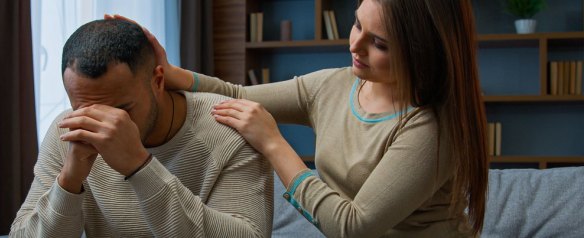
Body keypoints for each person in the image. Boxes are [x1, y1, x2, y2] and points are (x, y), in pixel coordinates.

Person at [112, 0, 488, 236]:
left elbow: (352, 226)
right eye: (358, 24)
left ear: (424, 52)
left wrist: (274, 144)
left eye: (380, 44)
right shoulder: (335, 85)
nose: (354, 45)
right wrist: (172, 72)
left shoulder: (430, 129)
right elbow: (239, 96)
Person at [9, 19, 273, 237]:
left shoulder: (231, 126)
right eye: (84, 109)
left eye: (122, 110)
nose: (108, 125)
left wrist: (140, 166)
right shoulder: (66, 130)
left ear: (157, 81)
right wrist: (68, 181)